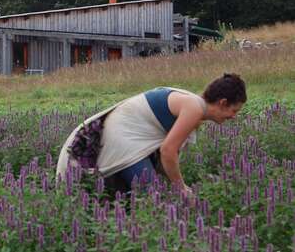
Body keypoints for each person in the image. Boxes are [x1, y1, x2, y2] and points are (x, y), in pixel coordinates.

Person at [56, 73, 246, 195]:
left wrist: (174, 185)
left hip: (125, 137)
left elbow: (167, 160)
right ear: (222, 102)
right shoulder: (194, 107)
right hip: (124, 140)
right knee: (151, 198)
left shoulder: (195, 108)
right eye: (234, 111)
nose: (233, 117)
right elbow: (167, 151)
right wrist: (181, 188)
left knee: (142, 197)